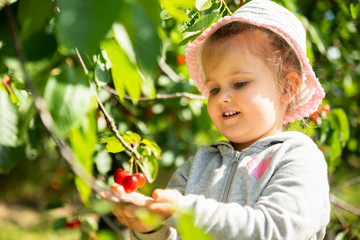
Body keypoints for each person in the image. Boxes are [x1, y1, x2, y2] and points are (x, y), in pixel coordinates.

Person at [101, 0, 331, 239]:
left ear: (287, 88)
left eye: (239, 83)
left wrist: (186, 212)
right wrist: (151, 227)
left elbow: (276, 230)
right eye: (213, 89)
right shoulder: (198, 165)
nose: (222, 97)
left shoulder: (298, 158)